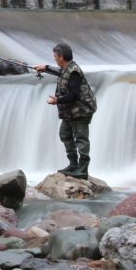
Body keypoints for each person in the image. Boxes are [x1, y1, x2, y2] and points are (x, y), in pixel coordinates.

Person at [33, 43, 97, 179]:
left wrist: (57, 100)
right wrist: (46, 68)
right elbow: (60, 72)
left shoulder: (74, 71)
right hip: (71, 112)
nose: (54, 59)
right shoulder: (66, 68)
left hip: (82, 111)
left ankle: (83, 169)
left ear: (61, 57)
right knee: (65, 134)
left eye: (55, 57)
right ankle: (73, 164)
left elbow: (73, 94)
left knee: (81, 139)